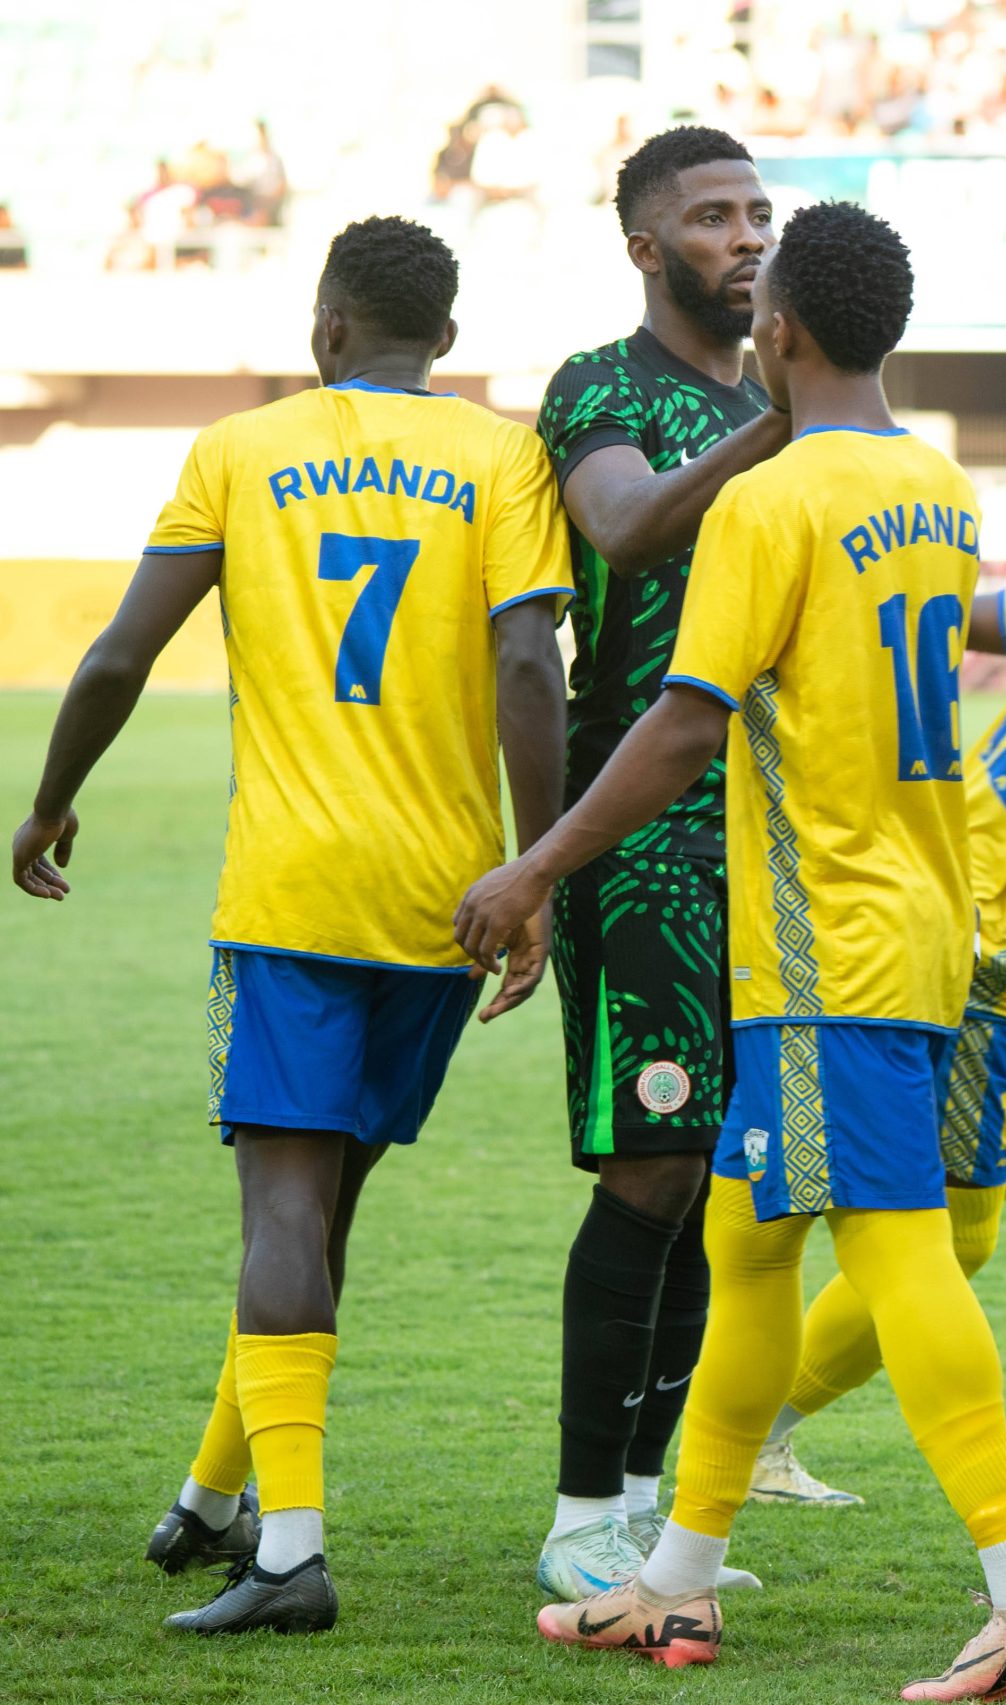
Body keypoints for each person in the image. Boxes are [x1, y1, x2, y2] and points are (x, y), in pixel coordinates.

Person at [452, 198, 1006, 1698]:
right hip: (923, 921)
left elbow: (686, 718)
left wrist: (536, 860)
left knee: (896, 1247)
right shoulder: (936, 485)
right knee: (747, 1250)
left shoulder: (771, 499)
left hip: (830, 944)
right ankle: (672, 1584)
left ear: (779, 333)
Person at [10, 215, 571, 1634]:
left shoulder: (240, 449)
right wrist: (542, 867)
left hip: (294, 887)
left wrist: (49, 799)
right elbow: (526, 655)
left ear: (324, 331)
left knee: (280, 1206)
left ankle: (289, 1558)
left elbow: (121, 651)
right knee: (324, 1208)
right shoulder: (505, 457)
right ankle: (216, 1497)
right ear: (445, 341)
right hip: (449, 895)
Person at [530, 125, 805, 1595]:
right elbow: (629, 529)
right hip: (641, 839)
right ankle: (581, 1517)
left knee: (719, 1174)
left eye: (761, 211)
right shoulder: (604, 387)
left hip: (771, 839)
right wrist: (786, 419)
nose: (747, 235)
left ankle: (644, 1500)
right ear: (647, 246)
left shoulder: (784, 398)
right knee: (649, 1166)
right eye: (713, 217)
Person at [757, 568, 1006, 1488]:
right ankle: (760, 1429)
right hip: (978, 949)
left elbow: (964, 611)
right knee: (954, 1242)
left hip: (956, 891)